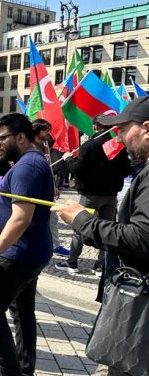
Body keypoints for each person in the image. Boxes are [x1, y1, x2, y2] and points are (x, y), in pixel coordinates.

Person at [52, 96, 149, 376]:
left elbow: (142, 237)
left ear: (147, 128)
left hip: (138, 305)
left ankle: (72, 259)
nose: (118, 136)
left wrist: (81, 220)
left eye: (123, 128)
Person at [0, 113, 54, 376]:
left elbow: (21, 217)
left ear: (21, 137)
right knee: (22, 313)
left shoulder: (27, 166)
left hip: (17, 254)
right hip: (26, 251)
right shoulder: (28, 162)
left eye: (1, 138)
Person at [54, 118, 131, 276]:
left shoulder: (89, 146)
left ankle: (72, 262)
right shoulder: (118, 147)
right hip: (111, 195)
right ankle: (100, 265)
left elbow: (77, 168)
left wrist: (68, 158)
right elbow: (125, 171)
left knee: (80, 227)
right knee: (107, 230)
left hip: (90, 195)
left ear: (94, 126)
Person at [31, 119, 70, 257]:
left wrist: (53, 185)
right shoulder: (26, 146)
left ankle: (56, 245)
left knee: (52, 218)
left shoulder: (44, 146)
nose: (49, 134)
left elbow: (48, 169)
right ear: (36, 131)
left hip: (46, 190)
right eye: (46, 130)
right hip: (33, 191)